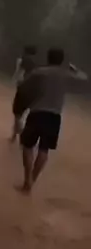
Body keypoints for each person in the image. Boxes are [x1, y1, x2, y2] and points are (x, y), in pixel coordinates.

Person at [18, 48, 87, 194]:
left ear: (48, 58)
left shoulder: (39, 72)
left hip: (37, 112)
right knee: (44, 149)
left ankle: (27, 180)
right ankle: (32, 180)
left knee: (27, 146)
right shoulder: (66, 75)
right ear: (62, 61)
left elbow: (22, 85)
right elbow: (84, 78)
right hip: (54, 116)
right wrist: (74, 69)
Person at [10, 44, 38, 142]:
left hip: (23, 89)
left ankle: (21, 133)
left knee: (17, 113)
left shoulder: (23, 60)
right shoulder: (36, 63)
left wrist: (14, 81)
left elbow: (19, 73)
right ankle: (14, 135)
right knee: (22, 114)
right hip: (33, 91)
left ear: (25, 51)